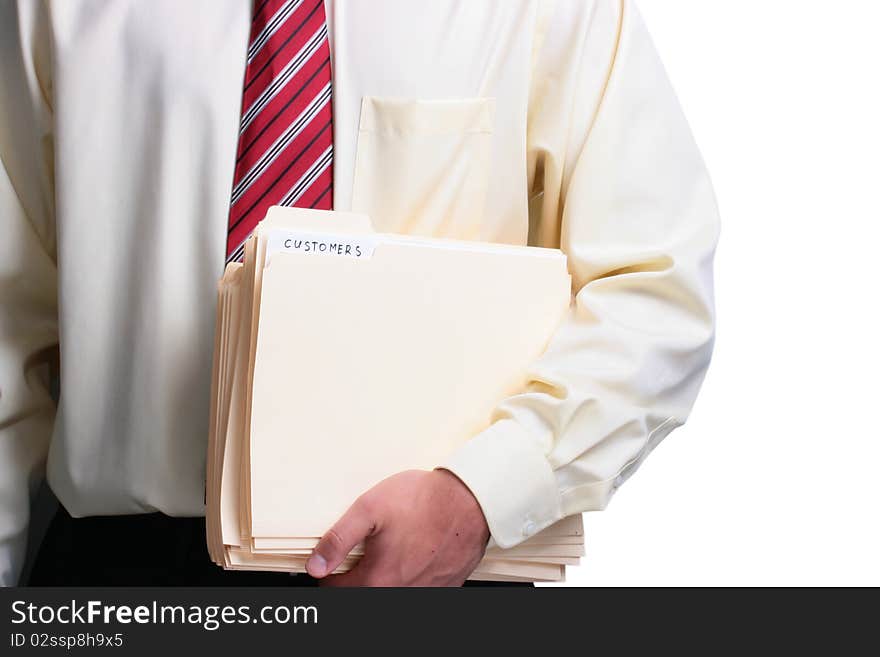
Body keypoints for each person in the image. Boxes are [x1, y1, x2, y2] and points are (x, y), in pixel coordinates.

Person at [0, 0, 719, 586]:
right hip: (121, 578)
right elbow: (8, 324)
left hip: (434, 565)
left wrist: (483, 493)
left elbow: (653, 286)